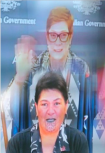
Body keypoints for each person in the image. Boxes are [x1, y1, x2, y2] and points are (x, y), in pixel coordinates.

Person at [3, 6, 95, 152]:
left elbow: (88, 116)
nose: (58, 42)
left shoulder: (82, 69)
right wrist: (20, 77)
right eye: (53, 35)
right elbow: (8, 108)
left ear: (70, 37)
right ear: (47, 37)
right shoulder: (32, 67)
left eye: (63, 35)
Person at [6, 71, 89, 153]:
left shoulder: (78, 141)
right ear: (36, 107)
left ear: (66, 106)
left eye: (56, 103)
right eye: (44, 104)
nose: (50, 111)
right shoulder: (17, 144)